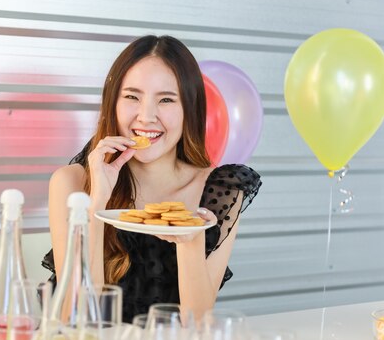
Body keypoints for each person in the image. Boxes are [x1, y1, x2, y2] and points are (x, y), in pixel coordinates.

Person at [42, 35, 261, 322]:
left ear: (189, 109)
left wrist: (190, 240)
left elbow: (195, 326)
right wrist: (97, 202)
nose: (146, 117)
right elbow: (80, 316)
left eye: (166, 100)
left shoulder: (220, 191)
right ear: (113, 103)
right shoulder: (70, 183)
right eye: (132, 96)